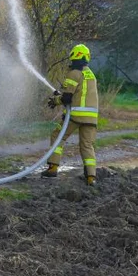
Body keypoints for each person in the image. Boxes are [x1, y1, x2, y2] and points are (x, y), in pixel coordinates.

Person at [42, 44, 99, 186]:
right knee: (87, 145)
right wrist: (61, 95)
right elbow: (78, 95)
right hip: (91, 118)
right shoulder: (91, 74)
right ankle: (91, 177)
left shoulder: (74, 73)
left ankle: (53, 168)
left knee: (57, 136)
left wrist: (55, 100)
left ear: (74, 56)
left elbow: (67, 99)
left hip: (75, 116)